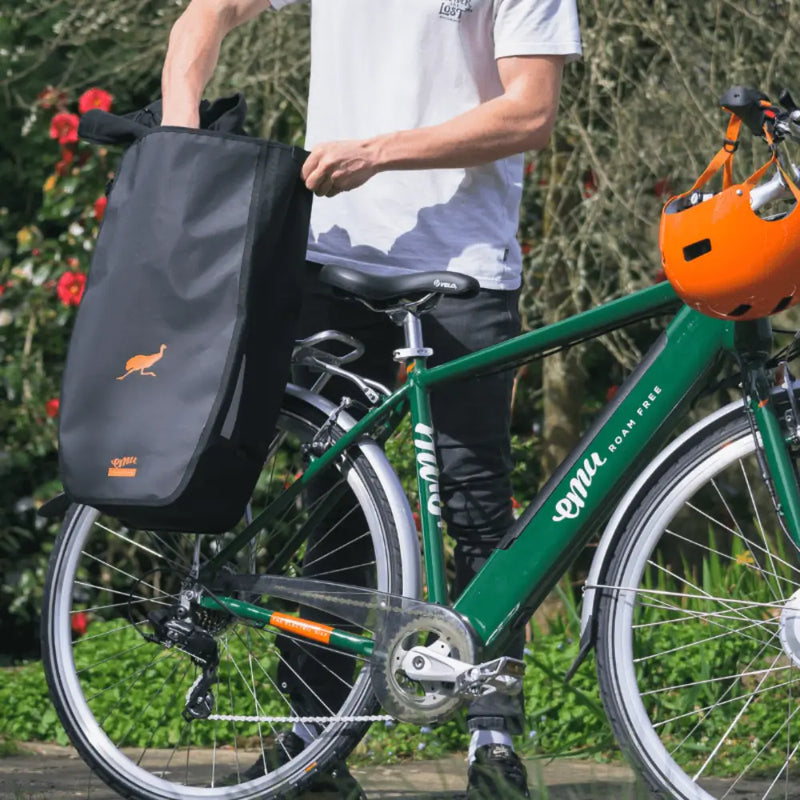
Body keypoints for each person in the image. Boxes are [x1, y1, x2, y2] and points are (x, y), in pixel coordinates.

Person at [161, 1, 581, 797]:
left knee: (476, 507)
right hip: (337, 258)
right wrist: (182, 138)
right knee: (334, 511)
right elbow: (205, 14)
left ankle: (492, 736)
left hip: (463, 269)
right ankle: (313, 744)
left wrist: (378, 151)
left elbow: (530, 111)